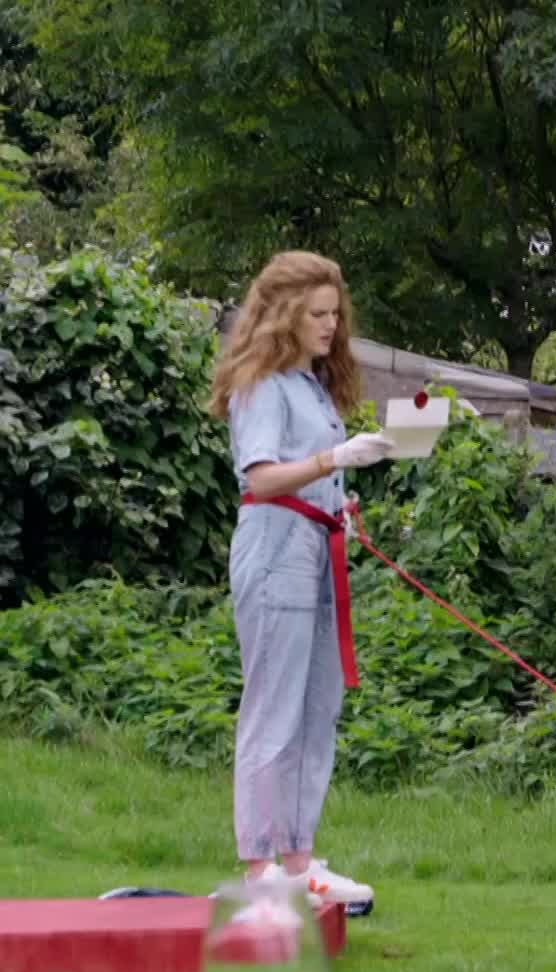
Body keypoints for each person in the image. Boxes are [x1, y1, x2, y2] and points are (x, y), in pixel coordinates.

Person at [207, 251, 394, 911]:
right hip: (275, 549)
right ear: (284, 314)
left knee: (318, 708)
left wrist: (336, 495)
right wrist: (333, 458)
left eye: (334, 313)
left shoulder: (310, 385)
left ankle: (298, 861)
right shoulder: (261, 382)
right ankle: (260, 868)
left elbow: (308, 475)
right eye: (316, 314)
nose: (329, 325)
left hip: (316, 545)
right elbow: (261, 477)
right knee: (274, 709)